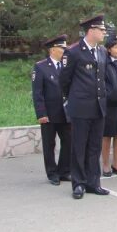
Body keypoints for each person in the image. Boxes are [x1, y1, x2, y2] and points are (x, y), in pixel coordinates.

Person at [60, 14, 109, 199]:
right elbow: (64, 80)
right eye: (101, 30)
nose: (104, 32)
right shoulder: (73, 51)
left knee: (94, 147)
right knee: (79, 146)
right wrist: (73, 98)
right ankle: (78, 183)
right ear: (91, 30)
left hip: (99, 106)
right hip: (81, 107)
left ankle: (93, 182)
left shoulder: (102, 51)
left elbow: (102, 78)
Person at [31, 34, 71, 185]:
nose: (64, 51)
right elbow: (37, 93)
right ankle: (52, 173)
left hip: (65, 112)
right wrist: (41, 113)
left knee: (69, 141)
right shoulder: (40, 67)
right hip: (49, 113)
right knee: (49, 144)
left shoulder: (66, 66)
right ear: (53, 49)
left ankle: (64, 171)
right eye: (62, 48)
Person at [101, 33, 117, 177]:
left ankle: (116, 163)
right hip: (108, 105)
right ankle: (105, 164)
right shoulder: (104, 64)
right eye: (116, 47)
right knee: (106, 136)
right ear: (109, 49)